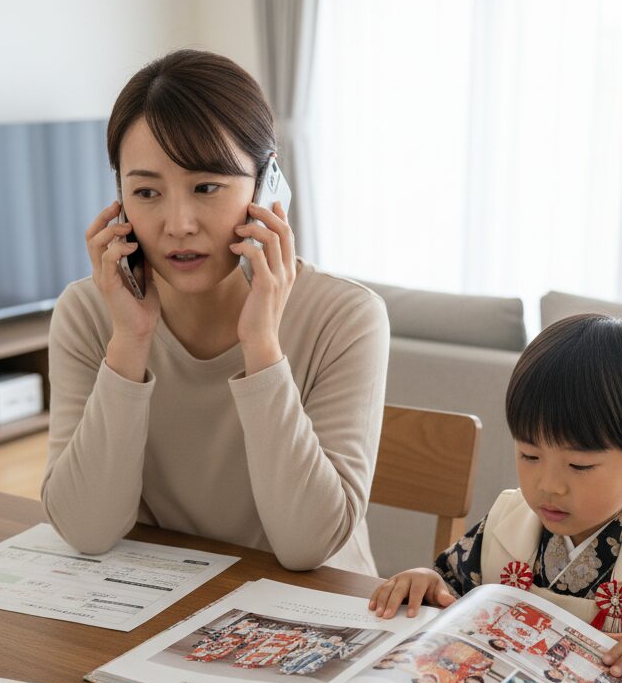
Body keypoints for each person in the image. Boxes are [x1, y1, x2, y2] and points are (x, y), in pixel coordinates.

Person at [42, 50, 389, 573]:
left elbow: (307, 545)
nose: (178, 223)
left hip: (315, 614)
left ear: (267, 185)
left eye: (206, 187)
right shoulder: (87, 314)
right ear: (120, 201)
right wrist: (130, 342)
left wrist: (263, 348)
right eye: (146, 191)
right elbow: (86, 531)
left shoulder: (345, 317)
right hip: (158, 608)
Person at [369, 314, 622, 683]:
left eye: (580, 465)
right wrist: (426, 581)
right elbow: (451, 588)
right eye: (529, 455)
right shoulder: (506, 521)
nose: (548, 485)